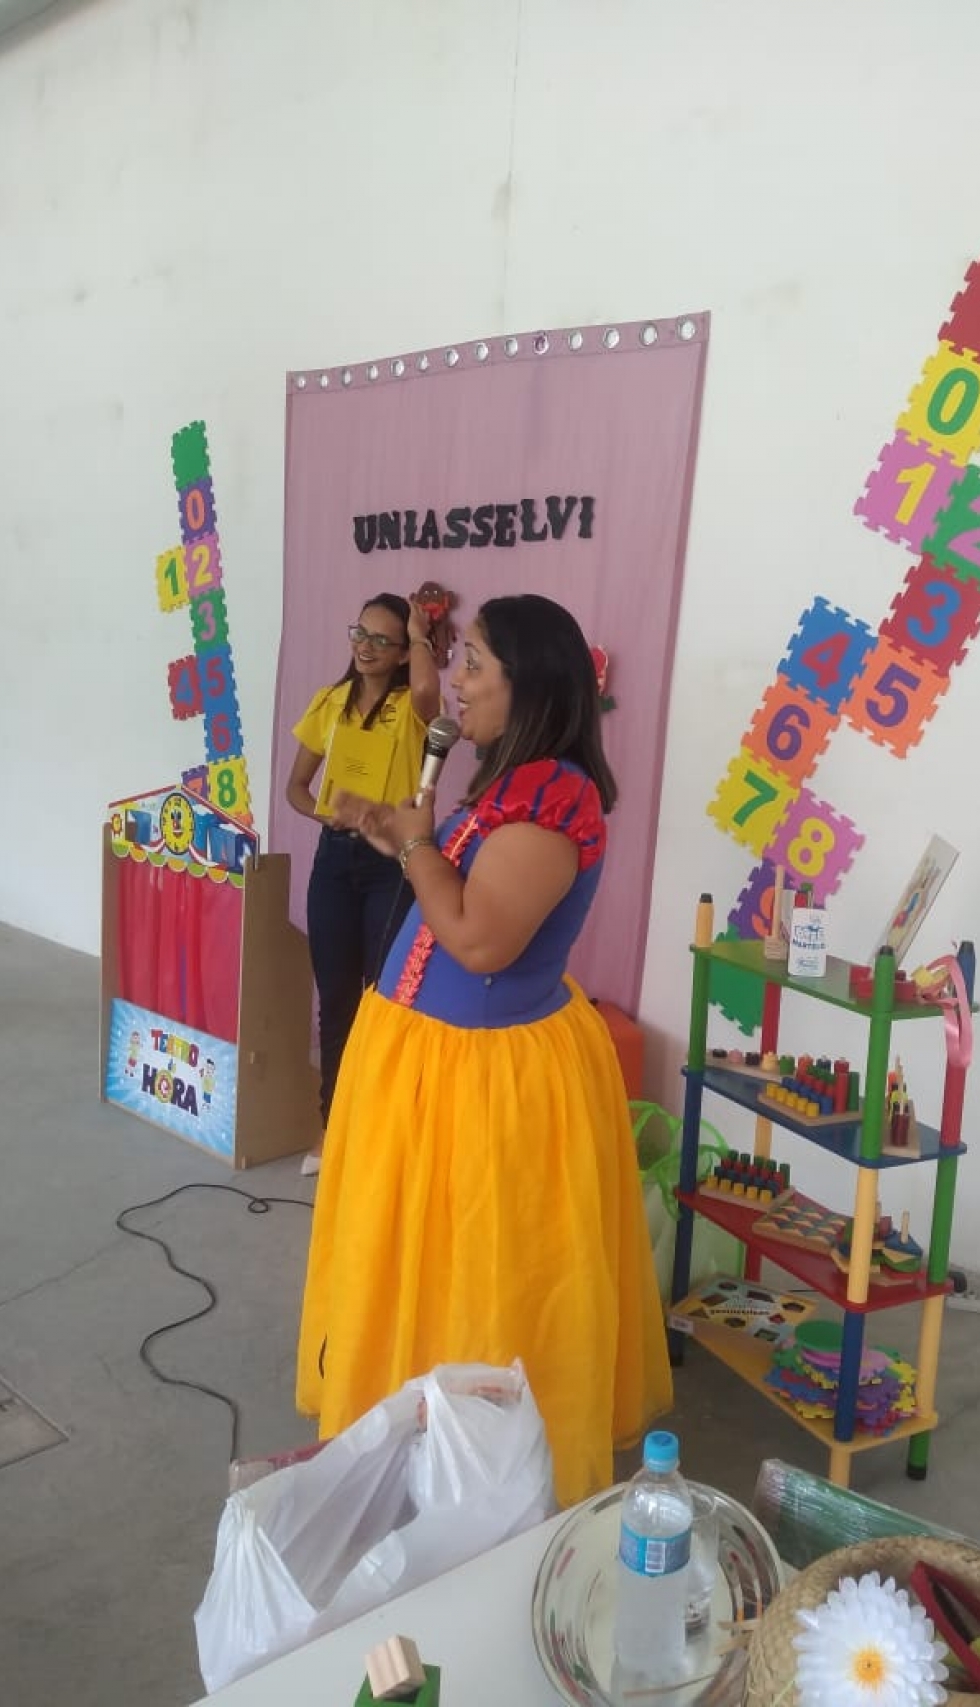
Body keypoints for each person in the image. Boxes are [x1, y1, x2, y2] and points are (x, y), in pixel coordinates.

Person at [295, 593, 673, 1505]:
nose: (451, 681)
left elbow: (477, 939)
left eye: (471, 663)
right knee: (420, 1264)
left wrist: (415, 845)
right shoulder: (511, 783)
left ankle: (482, 1472)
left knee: (481, 1274)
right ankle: (419, 1441)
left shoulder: (553, 801)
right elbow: (453, 888)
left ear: (528, 684)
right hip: (433, 1061)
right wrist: (401, 836)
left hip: (486, 1080)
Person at [284, 593, 441, 1174]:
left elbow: (428, 690)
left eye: (382, 640)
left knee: (383, 1001)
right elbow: (296, 788)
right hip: (335, 861)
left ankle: (378, 1132)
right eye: (360, 634)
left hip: (390, 865)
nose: (366, 647)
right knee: (336, 999)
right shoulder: (331, 702)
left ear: (401, 653)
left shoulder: (414, 708)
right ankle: (331, 1128)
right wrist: (324, 814)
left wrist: (421, 635)